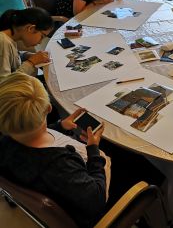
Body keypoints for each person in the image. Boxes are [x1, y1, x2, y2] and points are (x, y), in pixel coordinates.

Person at [0, 73, 109, 227]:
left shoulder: (4, 142)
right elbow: (97, 199)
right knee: (139, 166)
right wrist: (93, 151)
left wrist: (60, 126)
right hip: (85, 213)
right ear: (49, 108)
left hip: (39, 196)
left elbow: (25, 132)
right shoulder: (60, 164)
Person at [0, 8, 53, 80]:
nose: (40, 42)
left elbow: (13, 57)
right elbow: (5, 84)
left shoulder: (11, 37)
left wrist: (26, 55)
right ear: (31, 29)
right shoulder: (3, 42)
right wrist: (31, 63)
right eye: (42, 37)